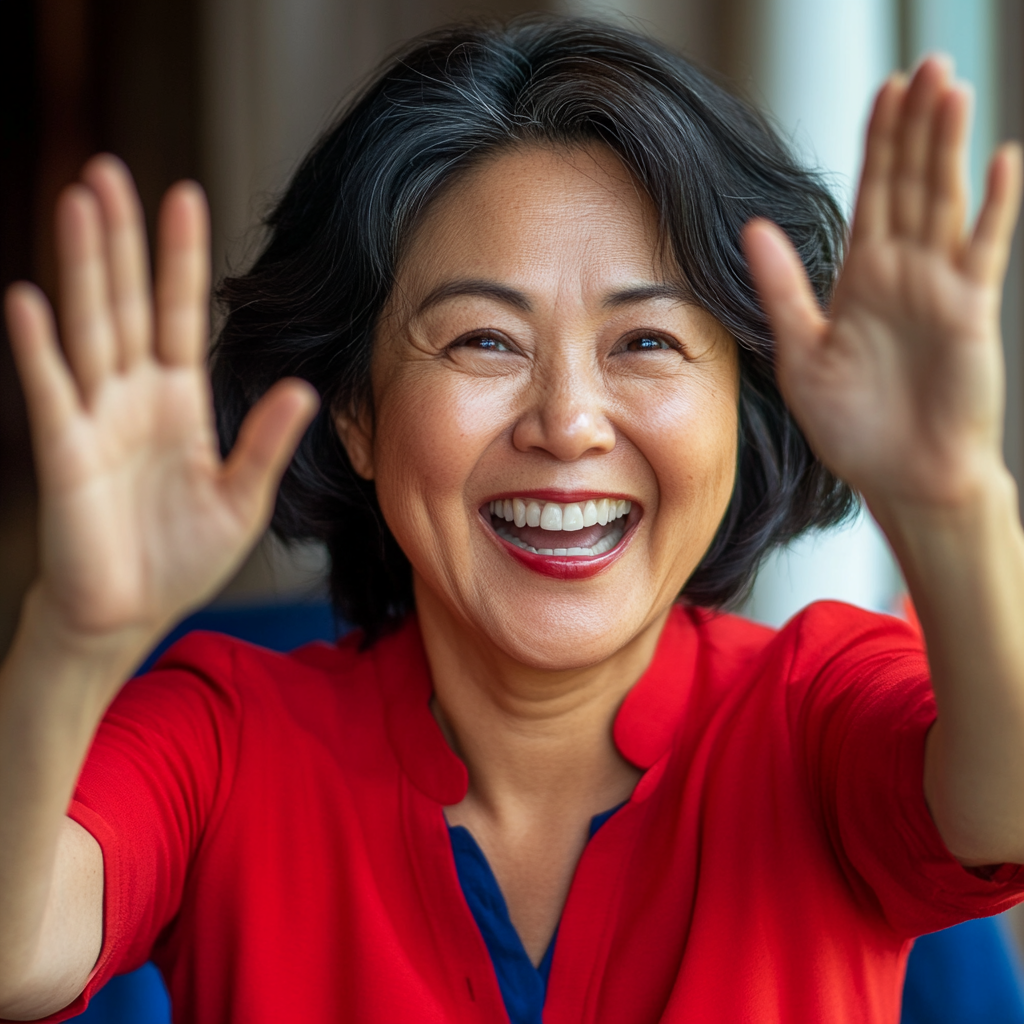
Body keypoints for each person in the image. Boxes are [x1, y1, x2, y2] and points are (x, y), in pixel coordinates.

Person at [0, 15, 1022, 1024]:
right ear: (356, 414)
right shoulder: (225, 741)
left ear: (740, 403)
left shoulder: (818, 714)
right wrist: (72, 641)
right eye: (484, 341)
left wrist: (952, 506)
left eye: (646, 342)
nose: (568, 423)